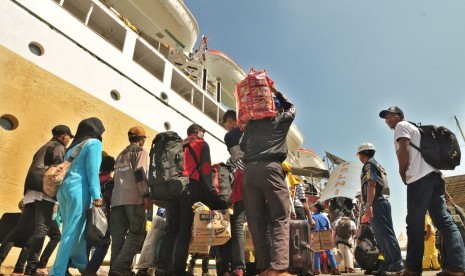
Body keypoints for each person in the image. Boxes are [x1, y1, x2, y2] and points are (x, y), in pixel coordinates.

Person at [379, 106, 465, 276]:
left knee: (414, 224)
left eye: (391, 115)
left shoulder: (401, 126)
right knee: (444, 221)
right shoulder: (417, 130)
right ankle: (458, 267)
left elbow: (403, 149)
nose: (388, 119)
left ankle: (412, 269)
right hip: (435, 177)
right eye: (386, 117)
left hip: (419, 179)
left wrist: (402, 171)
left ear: (400, 116)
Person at [0, 125, 73, 275]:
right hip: (44, 191)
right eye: (68, 137)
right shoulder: (58, 147)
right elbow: (58, 171)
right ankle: (32, 268)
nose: (68, 141)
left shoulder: (44, 146)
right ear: (64, 136)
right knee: (41, 230)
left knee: (19, 229)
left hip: (31, 190)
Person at [239, 88, 295, 276]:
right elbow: (292, 108)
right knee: (279, 217)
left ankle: (263, 267)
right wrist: (277, 91)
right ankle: (278, 267)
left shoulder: (252, 124)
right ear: (274, 108)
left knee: (256, 220)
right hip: (271, 169)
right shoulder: (280, 120)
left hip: (249, 172)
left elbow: (242, 146)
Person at [155, 123, 213, 275]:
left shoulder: (178, 144)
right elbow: (206, 171)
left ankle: (162, 267)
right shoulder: (201, 144)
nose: (203, 135)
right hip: (189, 188)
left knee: (171, 229)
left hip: (172, 188)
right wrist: (210, 195)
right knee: (184, 230)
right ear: (198, 131)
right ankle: (177, 269)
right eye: (203, 132)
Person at [49, 117, 105, 276]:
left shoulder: (72, 147)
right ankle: (57, 272)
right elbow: (92, 171)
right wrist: (96, 194)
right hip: (79, 190)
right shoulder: (94, 143)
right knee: (71, 232)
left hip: (64, 190)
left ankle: (82, 266)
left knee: (76, 232)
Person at [109, 126, 152, 276]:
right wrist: (145, 194)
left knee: (118, 237)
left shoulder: (121, 154)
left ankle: (115, 270)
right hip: (133, 199)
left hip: (117, 200)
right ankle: (120, 268)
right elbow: (140, 172)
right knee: (137, 233)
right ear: (141, 139)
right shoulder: (140, 151)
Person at [356, 142, 404, 275]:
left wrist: (368, 205)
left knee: (386, 235)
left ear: (362, 154)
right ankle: (388, 264)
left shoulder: (369, 165)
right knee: (381, 236)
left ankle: (397, 265)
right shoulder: (378, 165)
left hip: (376, 202)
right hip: (381, 202)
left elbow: (371, 184)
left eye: (359, 155)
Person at [82, 154, 116, 276]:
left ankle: (83, 267)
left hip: (89, 211)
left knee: (88, 239)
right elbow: (111, 198)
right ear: (113, 168)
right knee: (104, 241)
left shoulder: (94, 179)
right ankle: (90, 270)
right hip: (103, 215)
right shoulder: (110, 181)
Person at [223, 110, 246, 276]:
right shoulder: (252, 129)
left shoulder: (230, 136)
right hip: (260, 176)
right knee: (260, 222)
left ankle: (238, 268)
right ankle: (265, 264)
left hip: (242, 179)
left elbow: (237, 159)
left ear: (230, 121)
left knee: (237, 224)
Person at [10, 201, 61, 276]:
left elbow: (22, 204)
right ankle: (40, 266)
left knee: (31, 240)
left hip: (38, 212)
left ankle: (18, 270)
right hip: (46, 213)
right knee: (56, 236)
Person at [312, 202, 340, 275]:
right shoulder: (325, 216)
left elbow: (309, 226)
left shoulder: (312, 216)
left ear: (316, 208)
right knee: (329, 252)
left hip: (315, 234)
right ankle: (335, 269)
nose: (312, 208)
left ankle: (317, 270)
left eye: (314, 207)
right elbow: (329, 228)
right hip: (325, 234)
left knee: (317, 253)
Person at [333, 209, 357, 273]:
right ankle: (350, 268)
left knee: (341, 254)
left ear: (344, 214)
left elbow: (335, 231)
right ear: (350, 215)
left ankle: (344, 268)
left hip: (339, 240)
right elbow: (355, 232)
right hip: (348, 241)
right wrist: (352, 237)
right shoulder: (352, 222)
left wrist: (333, 239)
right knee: (349, 254)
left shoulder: (338, 221)